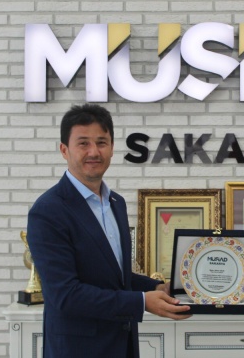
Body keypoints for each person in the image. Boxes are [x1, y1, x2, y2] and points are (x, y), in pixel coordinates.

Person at [27, 103, 191, 358]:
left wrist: (158, 287)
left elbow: (114, 275)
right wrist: (142, 302)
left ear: (112, 148)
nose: (94, 151)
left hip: (122, 346)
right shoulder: (48, 210)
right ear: (64, 150)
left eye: (101, 142)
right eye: (83, 143)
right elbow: (65, 295)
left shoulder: (116, 203)